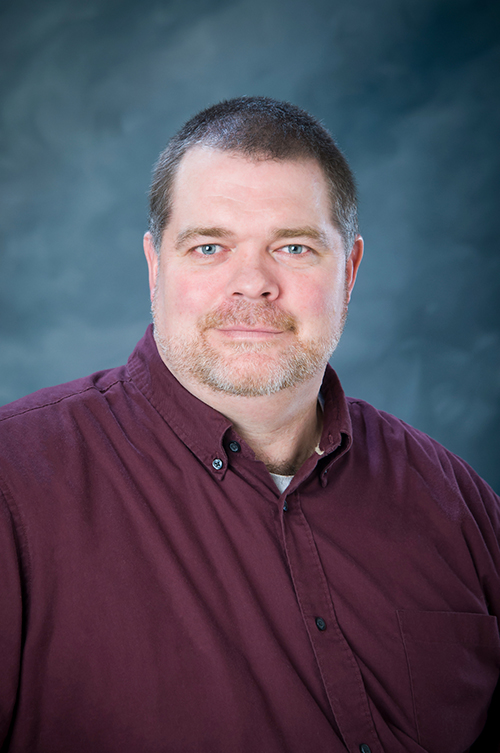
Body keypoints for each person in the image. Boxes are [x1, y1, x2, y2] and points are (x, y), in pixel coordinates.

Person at [0, 97, 499, 753]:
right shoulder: (16, 482)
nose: (253, 284)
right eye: (210, 246)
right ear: (156, 267)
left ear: (348, 271)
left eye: (293, 246)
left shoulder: (459, 502)